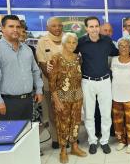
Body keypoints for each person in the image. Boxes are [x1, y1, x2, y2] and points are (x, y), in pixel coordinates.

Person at [0, 15, 43, 120]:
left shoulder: (27, 49)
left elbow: (35, 71)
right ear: (2, 28)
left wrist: (39, 90)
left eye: (18, 27)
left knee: (26, 134)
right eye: (11, 26)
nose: (15, 29)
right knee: (8, 135)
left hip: (28, 101)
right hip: (6, 103)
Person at [76, 16, 118, 154]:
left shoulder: (106, 40)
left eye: (96, 26)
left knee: (106, 114)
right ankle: (92, 141)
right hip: (87, 82)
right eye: (91, 26)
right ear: (86, 28)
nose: (94, 29)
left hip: (105, 81)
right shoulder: (81, 42)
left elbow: (116, 53)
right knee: (89, 114)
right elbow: (70, 55)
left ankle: (104, 141)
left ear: (99, 27)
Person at [48, 33, 87, 163]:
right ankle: (63, 150)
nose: (71, 45)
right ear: (63, 43)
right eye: (69, 42)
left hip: (77, 96)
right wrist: (56, 100)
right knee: (63, 124)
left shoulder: (78, 58)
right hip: (62, 97)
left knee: (76, 122)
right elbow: (52, 81)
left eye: (74, 42)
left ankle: (74, 147)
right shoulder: (56, 58)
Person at [36, 17, 64, 149]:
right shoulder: (42, 41)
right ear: (48, 28)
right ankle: (56, 138)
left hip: (68, 85)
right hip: (50, 84)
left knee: (67, 112)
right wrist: (54, 81)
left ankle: (68, 136)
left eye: (59, 25)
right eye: (54, 26)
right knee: (53, 113)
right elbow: (42, 63)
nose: (57, 28)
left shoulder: (68, 38)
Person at [111, 38, 130, 154]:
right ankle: (121, 141)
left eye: (126, 46)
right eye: (121, 46)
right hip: (116, 96)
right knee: (118, 121)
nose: (124, 48)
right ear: (118, 48)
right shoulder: (113, 60)